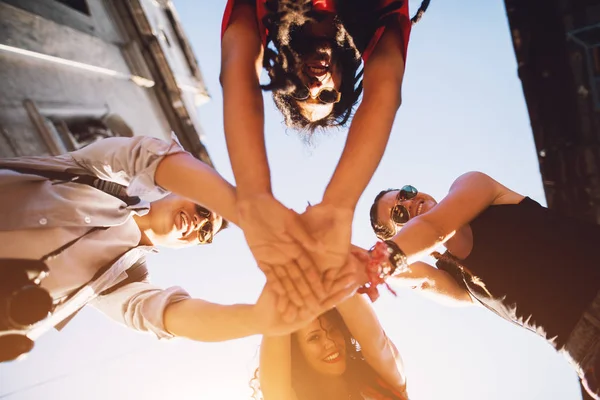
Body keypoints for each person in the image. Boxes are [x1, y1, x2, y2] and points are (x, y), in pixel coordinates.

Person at [0, 134, 357, 362]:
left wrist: (258, 319)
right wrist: (257, 220)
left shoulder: (121, 283)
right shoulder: (92, 173)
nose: (199, 222)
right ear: (177, 191)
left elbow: (171, 316)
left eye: (206, 232)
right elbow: (147, 157)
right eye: (204, 209)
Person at [219, 0, 429, 308]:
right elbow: (385, 89)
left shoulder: (260, 14)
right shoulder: (380, 22)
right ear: (345, 79)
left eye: (303, 93)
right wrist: (337, 209)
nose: (317, 86)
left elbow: (237, 70)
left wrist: (255, 197)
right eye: (328, 95)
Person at [368, 171, 600, 399]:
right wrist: (368, 261)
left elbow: (437, 228)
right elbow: (422, 280)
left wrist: (380, 259)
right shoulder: (458, 282)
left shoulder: (472, 184)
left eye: (405, 194)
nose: (409, 202)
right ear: (399, 236)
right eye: (398, 213)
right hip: (587, 349)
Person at [255, 252, 409, 400]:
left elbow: (376, 343)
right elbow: (272, 384)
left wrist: (320, 261)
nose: (329, 341)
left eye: (333, 329)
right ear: (296, 351)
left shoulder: (382, 382)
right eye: (314, 337)